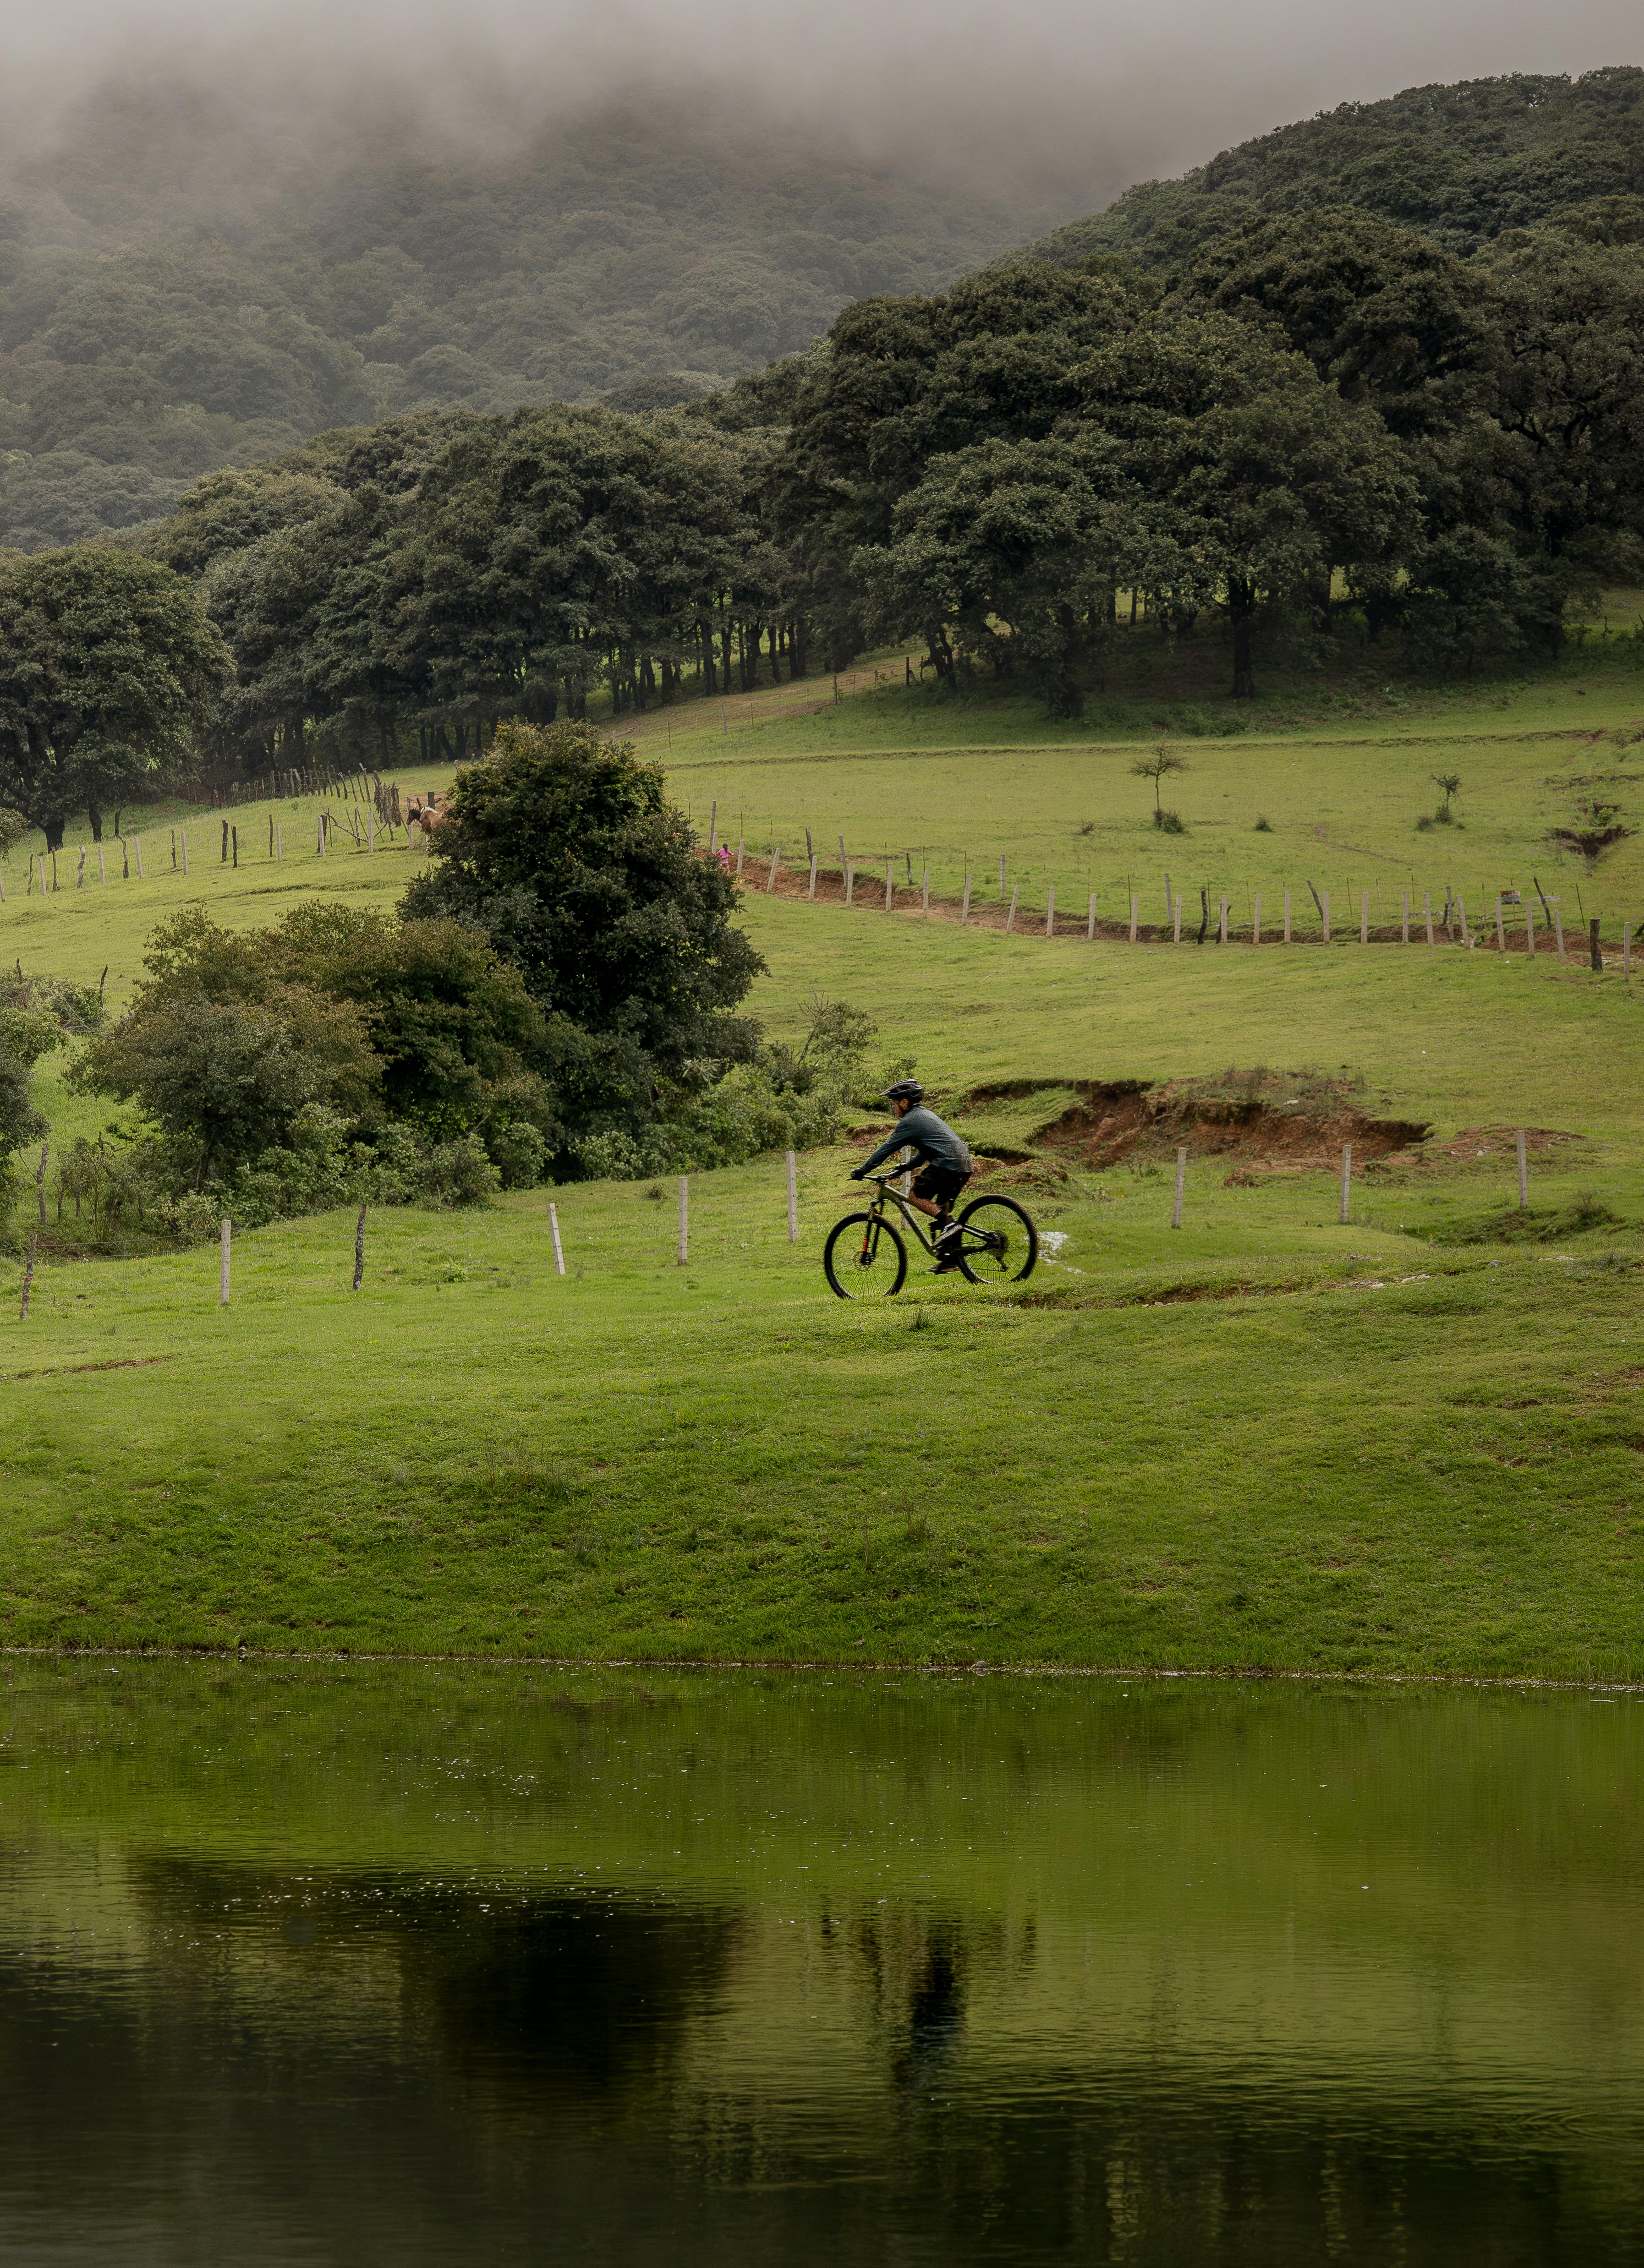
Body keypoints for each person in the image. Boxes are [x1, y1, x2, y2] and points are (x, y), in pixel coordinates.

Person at [850, 1080, 973, 1270]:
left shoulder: (909, 1122)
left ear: (905, 1102)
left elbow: (886, 1149)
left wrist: (862, 1171)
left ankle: (950, 1225)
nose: (894, 1107)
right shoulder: (926, 1115)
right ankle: (951, 1259)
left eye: (895, 1102)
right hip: (964, 1165)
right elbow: (927, 1150)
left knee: (915, 1197)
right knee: (940, 1208)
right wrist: (906, 1167)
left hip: (947, 1165)